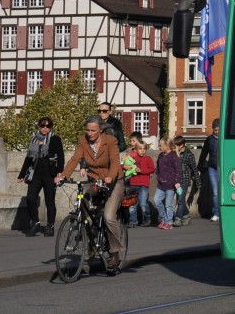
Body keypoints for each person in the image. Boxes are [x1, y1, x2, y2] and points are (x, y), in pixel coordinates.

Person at [56, 117, 125, 271]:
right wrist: (64, 176)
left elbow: (115, 161)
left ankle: (115, 253)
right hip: (94, 180)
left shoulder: (110, 141)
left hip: (113, 181)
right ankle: (88, 239)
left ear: (101, 129)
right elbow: (75, 159)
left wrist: (110, 176)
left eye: (93, 130)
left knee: (108, 217)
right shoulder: (83, 141)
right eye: (87, 130)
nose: (90, 133)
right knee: (82, 202)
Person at [17, 116, 64, 237]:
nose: (45, 128)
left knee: (49, 201)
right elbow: (28, 158)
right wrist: (21, 174)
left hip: (50, 174)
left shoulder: (55, 139)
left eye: (48, 126)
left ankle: (50, 226)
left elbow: (60, 156)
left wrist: (60, 172)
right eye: (42, 126)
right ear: (39, 126)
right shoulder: (34, 139)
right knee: (30, 198)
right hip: (35, 174)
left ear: (51, 127)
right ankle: (36, 223)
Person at [125, 132, 155, 227]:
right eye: (140, 149)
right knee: (132, 204)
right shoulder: (133, 158)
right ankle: (133, 221)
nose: (142, 151)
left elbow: (152, 169)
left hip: (143, 184)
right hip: (134, 183)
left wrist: (141, 170)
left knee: (143, 203)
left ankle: (147, 219)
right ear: (136, 150)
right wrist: (127, 167)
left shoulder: (148, 158)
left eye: (144, 149)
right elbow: (126, 165)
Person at [153, 138, 182, 230]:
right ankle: (163, 218)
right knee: (156, 200)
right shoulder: (160, 155)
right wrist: (157, 175)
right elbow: (158, 167)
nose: (159, 147)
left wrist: (177, 181)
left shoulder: (173, 156)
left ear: (167, 146)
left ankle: (169, 222)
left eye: (161, 145)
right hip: (161, 184)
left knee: (168, 205)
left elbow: (178, 170)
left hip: (170, 185)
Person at [172, 135, 197, 226]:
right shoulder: (173, 153)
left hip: (184, 180)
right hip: (175, 180)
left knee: (180, 200)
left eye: (176, 145)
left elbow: (194, 168)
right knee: (181, 200)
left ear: (181, 145)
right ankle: (186, 216)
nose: (174, 147)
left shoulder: (189, 154)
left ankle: (178, 219)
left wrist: (198, 182)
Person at [199, 119, 221, 222]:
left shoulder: (224, 138)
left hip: (223, 168)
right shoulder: (209, 139)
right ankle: (216, 213)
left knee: (223, 191)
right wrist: (199, 168)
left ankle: (223, 212)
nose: (216, 132)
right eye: (215, 130)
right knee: (215, 192)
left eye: (218, 130)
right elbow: (204, 153)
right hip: (212, 167)